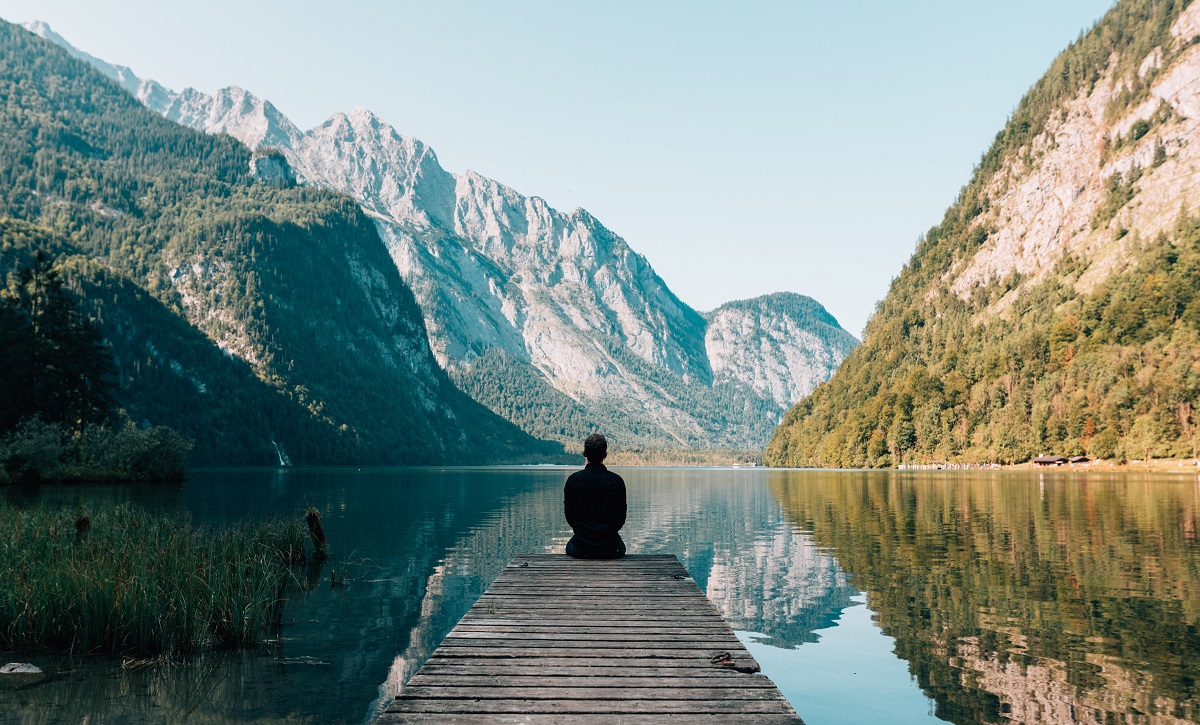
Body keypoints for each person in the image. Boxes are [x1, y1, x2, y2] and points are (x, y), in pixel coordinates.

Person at [564, 433, 626, 559]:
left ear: (584, 453)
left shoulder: (573, 480)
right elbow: (621, 517)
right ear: (605, 455)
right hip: (612, 549)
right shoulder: (616, 481)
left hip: (580, 548)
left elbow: (570, 516)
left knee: (570, 545)